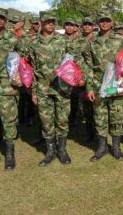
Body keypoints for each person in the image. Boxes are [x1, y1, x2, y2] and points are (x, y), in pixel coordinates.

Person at [28, 11, 87, 167]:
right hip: (43, 87)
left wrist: (82, 77)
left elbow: (78, 59)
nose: (51, 24)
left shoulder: (64, 41)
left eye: (53, 21)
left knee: (62, 120)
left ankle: (62, 150)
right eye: (47, 21)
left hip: (62, 88)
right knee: (46, 122)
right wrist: (34, 91)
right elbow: (32, 69)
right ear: (41, 22)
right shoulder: (33, 43)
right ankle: (50, 151)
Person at [83, 12, 123, 162]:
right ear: (97, 23)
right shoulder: (92, 42)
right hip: (98, 85)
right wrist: (89, 87)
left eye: (108, 20)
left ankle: (116, 147)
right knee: (100, 117)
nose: (105, 23)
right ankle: (102, 148)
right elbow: (87, 66)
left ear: (112, 22)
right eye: (102, 21)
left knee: (116, 116)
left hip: (116, 85)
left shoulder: (122, 39)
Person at [0, 8, 24, 170]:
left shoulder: (13, 39)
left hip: (7, 86)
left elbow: (24, 60)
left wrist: (21, 77)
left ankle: (10, 156)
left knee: (8, 121)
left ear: (6, 21)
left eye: (2, 18)